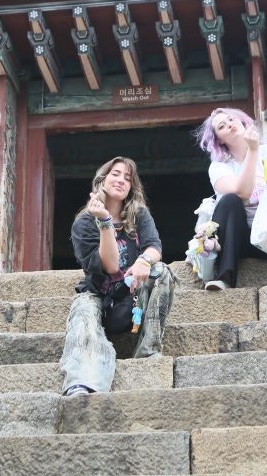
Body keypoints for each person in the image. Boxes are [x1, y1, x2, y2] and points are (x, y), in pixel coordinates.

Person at [59, 156, 176, 397]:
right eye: (115, 174)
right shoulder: (84, 223)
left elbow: (154, 247)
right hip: (101, 297)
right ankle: (84, 381)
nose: (121, 180)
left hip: (134, 296)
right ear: (102, 179)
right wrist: (104, 221)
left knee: (162, 272)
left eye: (128, 178)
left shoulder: (139, 215)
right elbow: (111, 267)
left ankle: (147, 353)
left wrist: (144, 260)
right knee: (82, 312)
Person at [193, 107, 267, 290]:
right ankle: (225, 277)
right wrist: (253, 151)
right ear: (219, 139)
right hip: (238, 241)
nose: (230, 124)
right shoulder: (219, 166)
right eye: (222, 126)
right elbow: (241, 192)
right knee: (230, 200)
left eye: (231, 119)